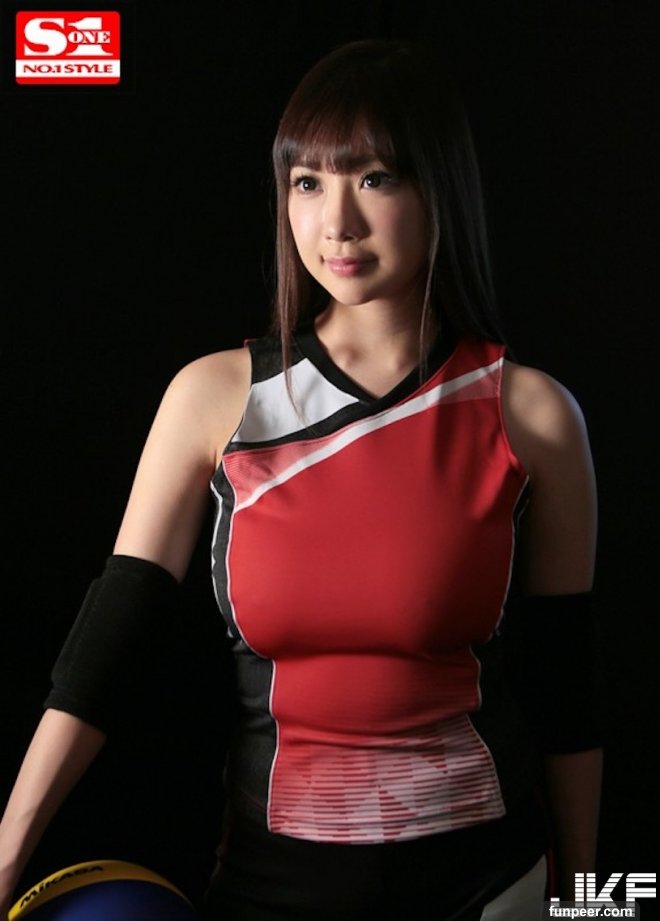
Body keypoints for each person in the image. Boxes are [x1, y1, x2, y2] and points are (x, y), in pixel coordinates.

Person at [0, 39, 602, 920]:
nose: (337, 223)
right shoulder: (214, 399)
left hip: (491, 886)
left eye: (376, 178)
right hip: (272, 885)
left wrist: (587, 899)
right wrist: (7, 846)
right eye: (308, 182)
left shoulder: (533, 414)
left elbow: (569, 687)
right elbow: (106, 653)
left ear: (439, 188)